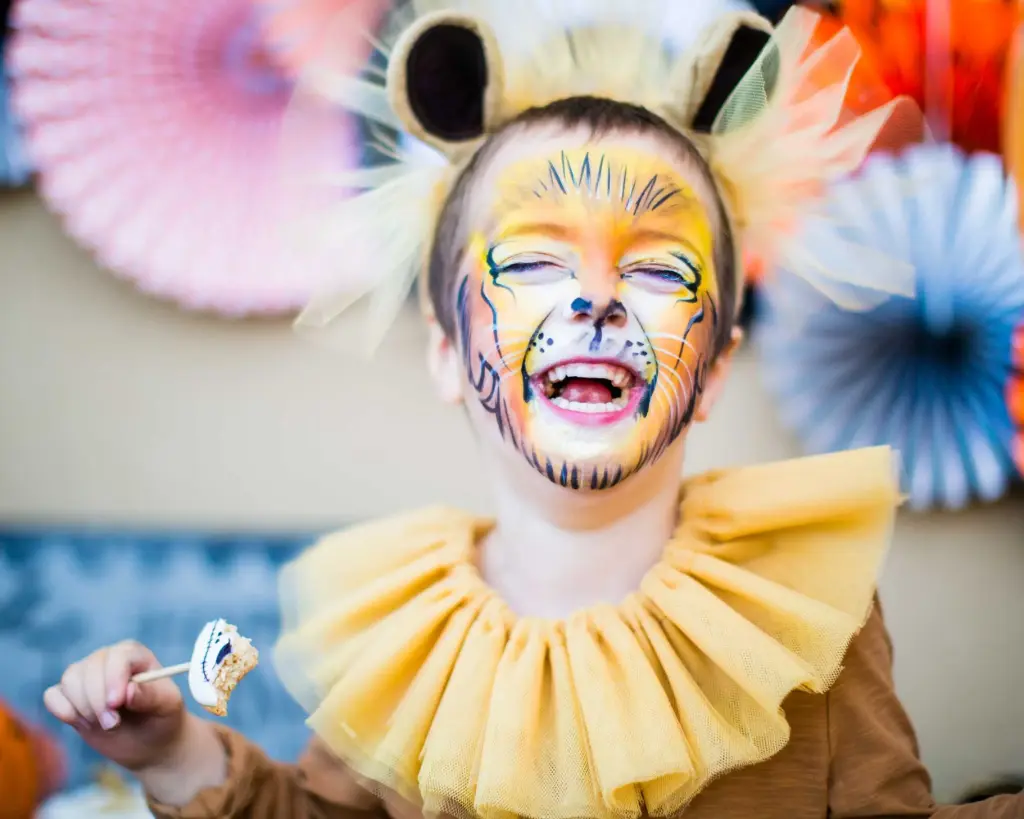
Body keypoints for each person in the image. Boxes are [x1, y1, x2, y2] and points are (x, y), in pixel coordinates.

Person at [41, 3, 1024, 818]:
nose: (594, 301)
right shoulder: (405, 639)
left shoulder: (801, 613)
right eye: (535, 262)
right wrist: (170, 750)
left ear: (715, 369)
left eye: (652, 269)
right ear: (445, 350)